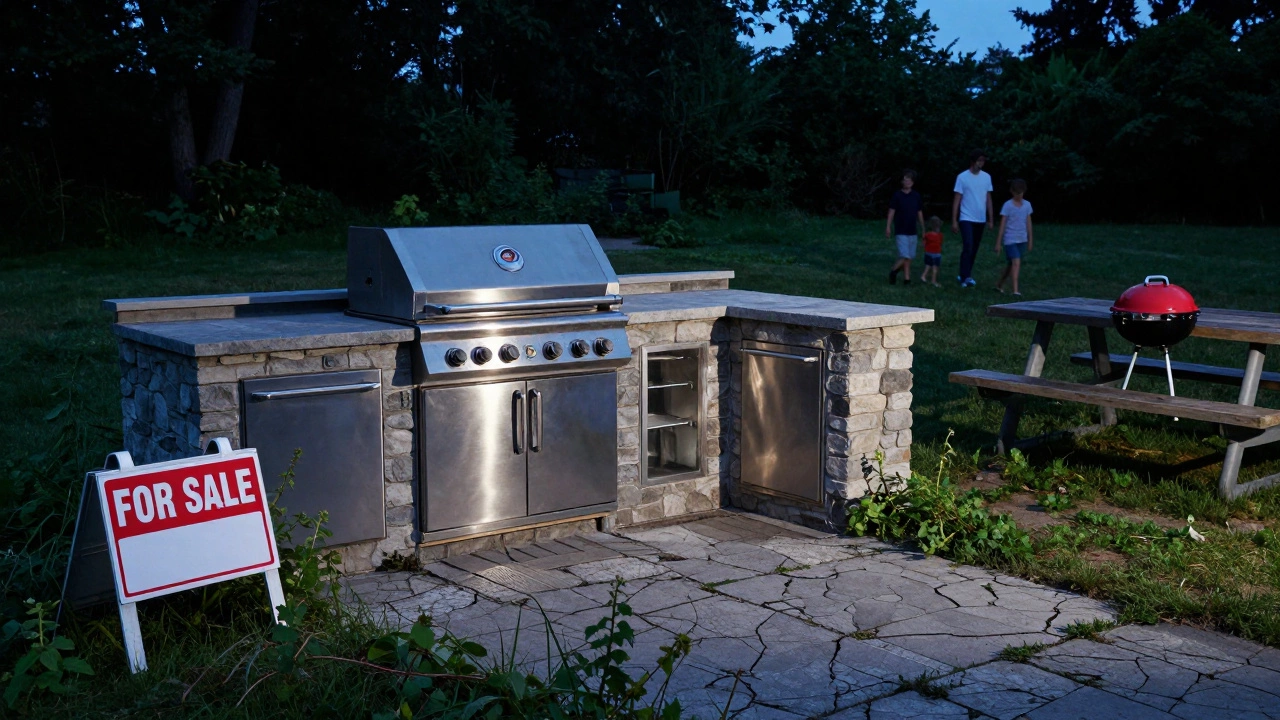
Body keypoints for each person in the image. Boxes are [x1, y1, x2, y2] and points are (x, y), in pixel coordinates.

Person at [951, 150, 994, 288]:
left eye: (983, 161)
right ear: (973, 161)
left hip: (980, 218)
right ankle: (964, 276)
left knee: (974, 247)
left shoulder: (986, 177)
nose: (981, 163)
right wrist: (954, 220)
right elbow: (957, 199)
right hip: (966, 217)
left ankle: (967, 274)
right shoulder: (962, 177)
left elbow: (988, 198)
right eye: (979, 160)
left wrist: (990, 218)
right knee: (968, 245)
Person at [885, 169, 925, 285]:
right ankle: (893, 271)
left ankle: (907, 279)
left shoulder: (916, 196)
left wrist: (923, 228)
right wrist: (888, 226)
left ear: (913, 182)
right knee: (904, 255)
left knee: (910, 257)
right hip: (901, 230)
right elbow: (891, 211)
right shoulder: (897, 195)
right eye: (905, 180)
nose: (907, 182)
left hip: (912, 230)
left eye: (910, 180)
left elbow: (919, 212)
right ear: (902, 182)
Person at [994, 178, 1034, 296]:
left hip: (1022, 239)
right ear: (1012, 192)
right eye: (1016, 193)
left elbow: (1029, 224)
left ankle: (999, 284)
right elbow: (1002, 225)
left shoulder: (1027, 205)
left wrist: (1030, 240)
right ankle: (1015, 290)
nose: (1019, 196)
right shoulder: (1007, 206)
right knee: (1016, 262)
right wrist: (998, 242)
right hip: (1010, 239)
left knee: (1011, 265)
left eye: (1020, 193)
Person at [919, 216, 945, 286]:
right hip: (936, 254)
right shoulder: (940, 235)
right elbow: (940, 243)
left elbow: (923, 244)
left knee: (928, 265)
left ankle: (923, 276)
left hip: (928, 253)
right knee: (935, 268)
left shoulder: (927, 235)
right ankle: (933, 281)